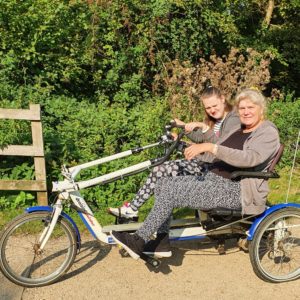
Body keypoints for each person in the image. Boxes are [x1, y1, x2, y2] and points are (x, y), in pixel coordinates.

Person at [111, 88, 281, 260]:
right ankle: (161, 242)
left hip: (235, 189)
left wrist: (210, 147)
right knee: (163, 183)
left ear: (261, 108)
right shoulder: (241, 129)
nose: (245, 112)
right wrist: (199, 136)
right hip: (213, 179)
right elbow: (217, 142)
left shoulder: (267, 131)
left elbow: (250, 158)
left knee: (171, 192)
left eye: (250, 108)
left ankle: (138, 240)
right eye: (242, 108)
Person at [108, 83, 241, 221]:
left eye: (214, 106)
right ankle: (153, 216)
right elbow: (200, 137)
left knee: (161, 170)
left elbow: (221, 146)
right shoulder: (214, 120)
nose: (212, 110)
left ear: (223, 99)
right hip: (206, 163)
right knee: (160, 170)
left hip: (218, 169)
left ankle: (135, 210)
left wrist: (203, 127)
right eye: (208, 108)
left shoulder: (233, 120)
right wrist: (182, 126)